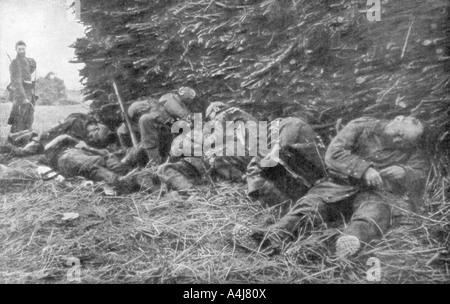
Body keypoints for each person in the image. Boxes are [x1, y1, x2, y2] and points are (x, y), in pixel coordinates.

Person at [233, 116, 428, 258]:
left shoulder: (411, 152)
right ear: (396, 120)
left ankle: (349, 243)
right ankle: (269, 238)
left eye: (404, 141)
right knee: (310, 205)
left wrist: (404, 171)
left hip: (374, 194)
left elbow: (420, 172)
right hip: (337, 186)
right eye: (399, 134)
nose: (398, 141)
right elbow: (333, 154)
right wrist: (365, 169)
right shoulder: (362, 126)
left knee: (373, 213)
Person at [156, 102, 258, 191]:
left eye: (209, 119)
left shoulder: (222, 115)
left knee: (215, 157)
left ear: (214, 112)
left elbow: (212, 141)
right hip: (257, 153)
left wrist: (202, 134)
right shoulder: (241, 115)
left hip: (246, 154)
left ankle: (244, 178)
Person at [245, 116, 327, 209]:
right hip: (310, 183)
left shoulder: (288, 124)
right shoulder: (286, 128)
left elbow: (282, 152)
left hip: (313, 181)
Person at [7, 41, 37, 133]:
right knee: (19, 118)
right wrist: (24, 97)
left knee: (29, 116)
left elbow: (29, 73)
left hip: (29, 92)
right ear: (16, 50)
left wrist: (33, 65)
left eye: (23, 49)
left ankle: (27, 137)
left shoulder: (27, 61)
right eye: (19, 49)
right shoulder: (15, 63)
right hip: (20, 93)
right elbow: (17, 82)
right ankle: (14, 139)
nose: (22, 51)